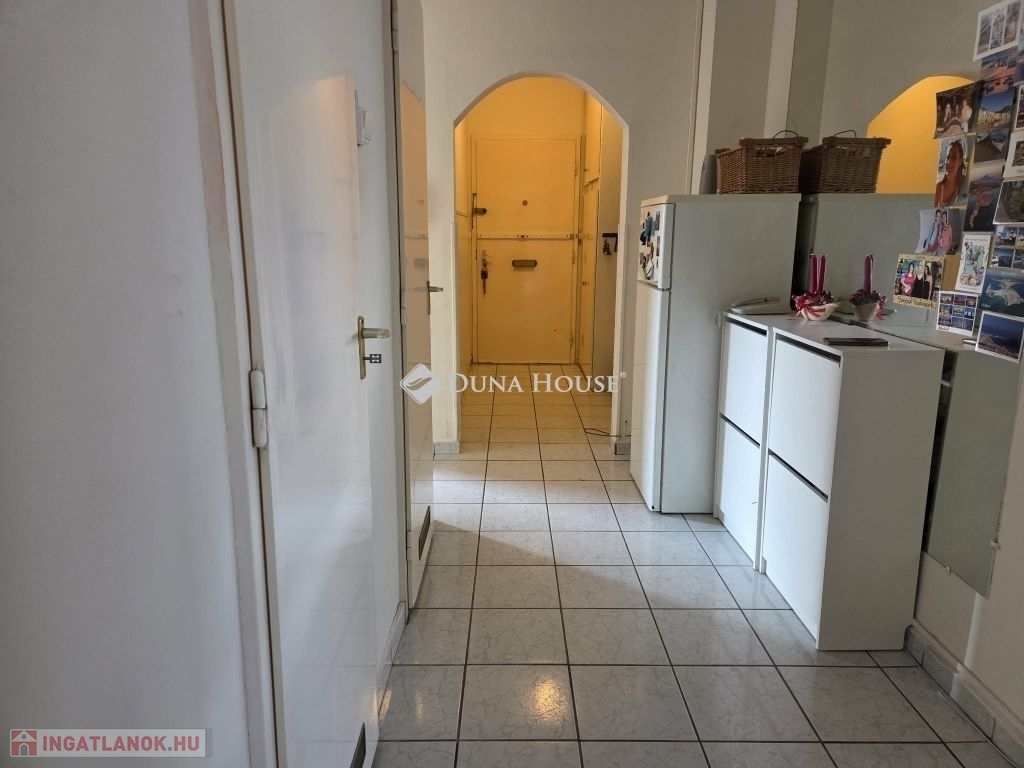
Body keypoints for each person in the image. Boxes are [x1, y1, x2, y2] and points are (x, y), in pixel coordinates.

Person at [935, 139, 966, 207]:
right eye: (948, 157)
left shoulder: (962, 182)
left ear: (960, 161)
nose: (949, 162)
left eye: (954, 157)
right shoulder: (938, 187)